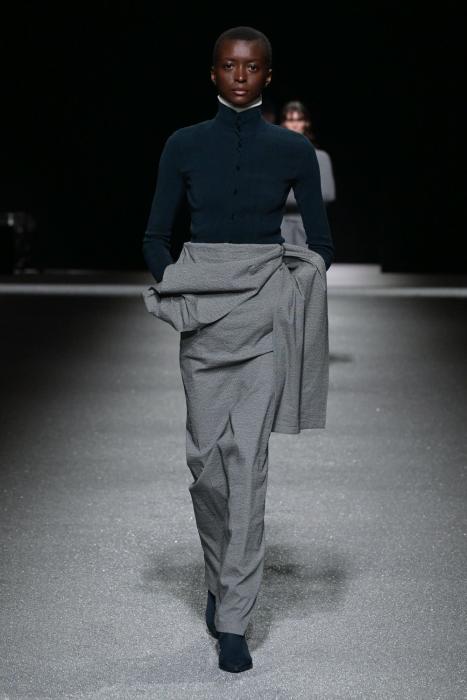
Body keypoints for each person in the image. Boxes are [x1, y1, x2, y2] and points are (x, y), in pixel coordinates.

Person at [141, 26, 334, 673]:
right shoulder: (183, 144)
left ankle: (234, 619)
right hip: (203, 320)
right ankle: (218, 577)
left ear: (268, 76)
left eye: (252, 67)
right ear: (213, 73)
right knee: (205, 466)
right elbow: (155, 234)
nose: (241, 76)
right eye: (229, 65)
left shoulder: (292, 150)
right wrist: (178, 286)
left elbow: (320, 244)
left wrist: (287, 293)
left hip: (262, 321)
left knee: (246, 464)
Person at [281, 100, 336, 247]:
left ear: (306, 123)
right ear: (284, 123)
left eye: (299, 120)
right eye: (290, 120)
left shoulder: (320, 157)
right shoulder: (274, 158)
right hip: (279, 229)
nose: (294, 124)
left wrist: (285, 195)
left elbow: (327, 194)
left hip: (308, 229)